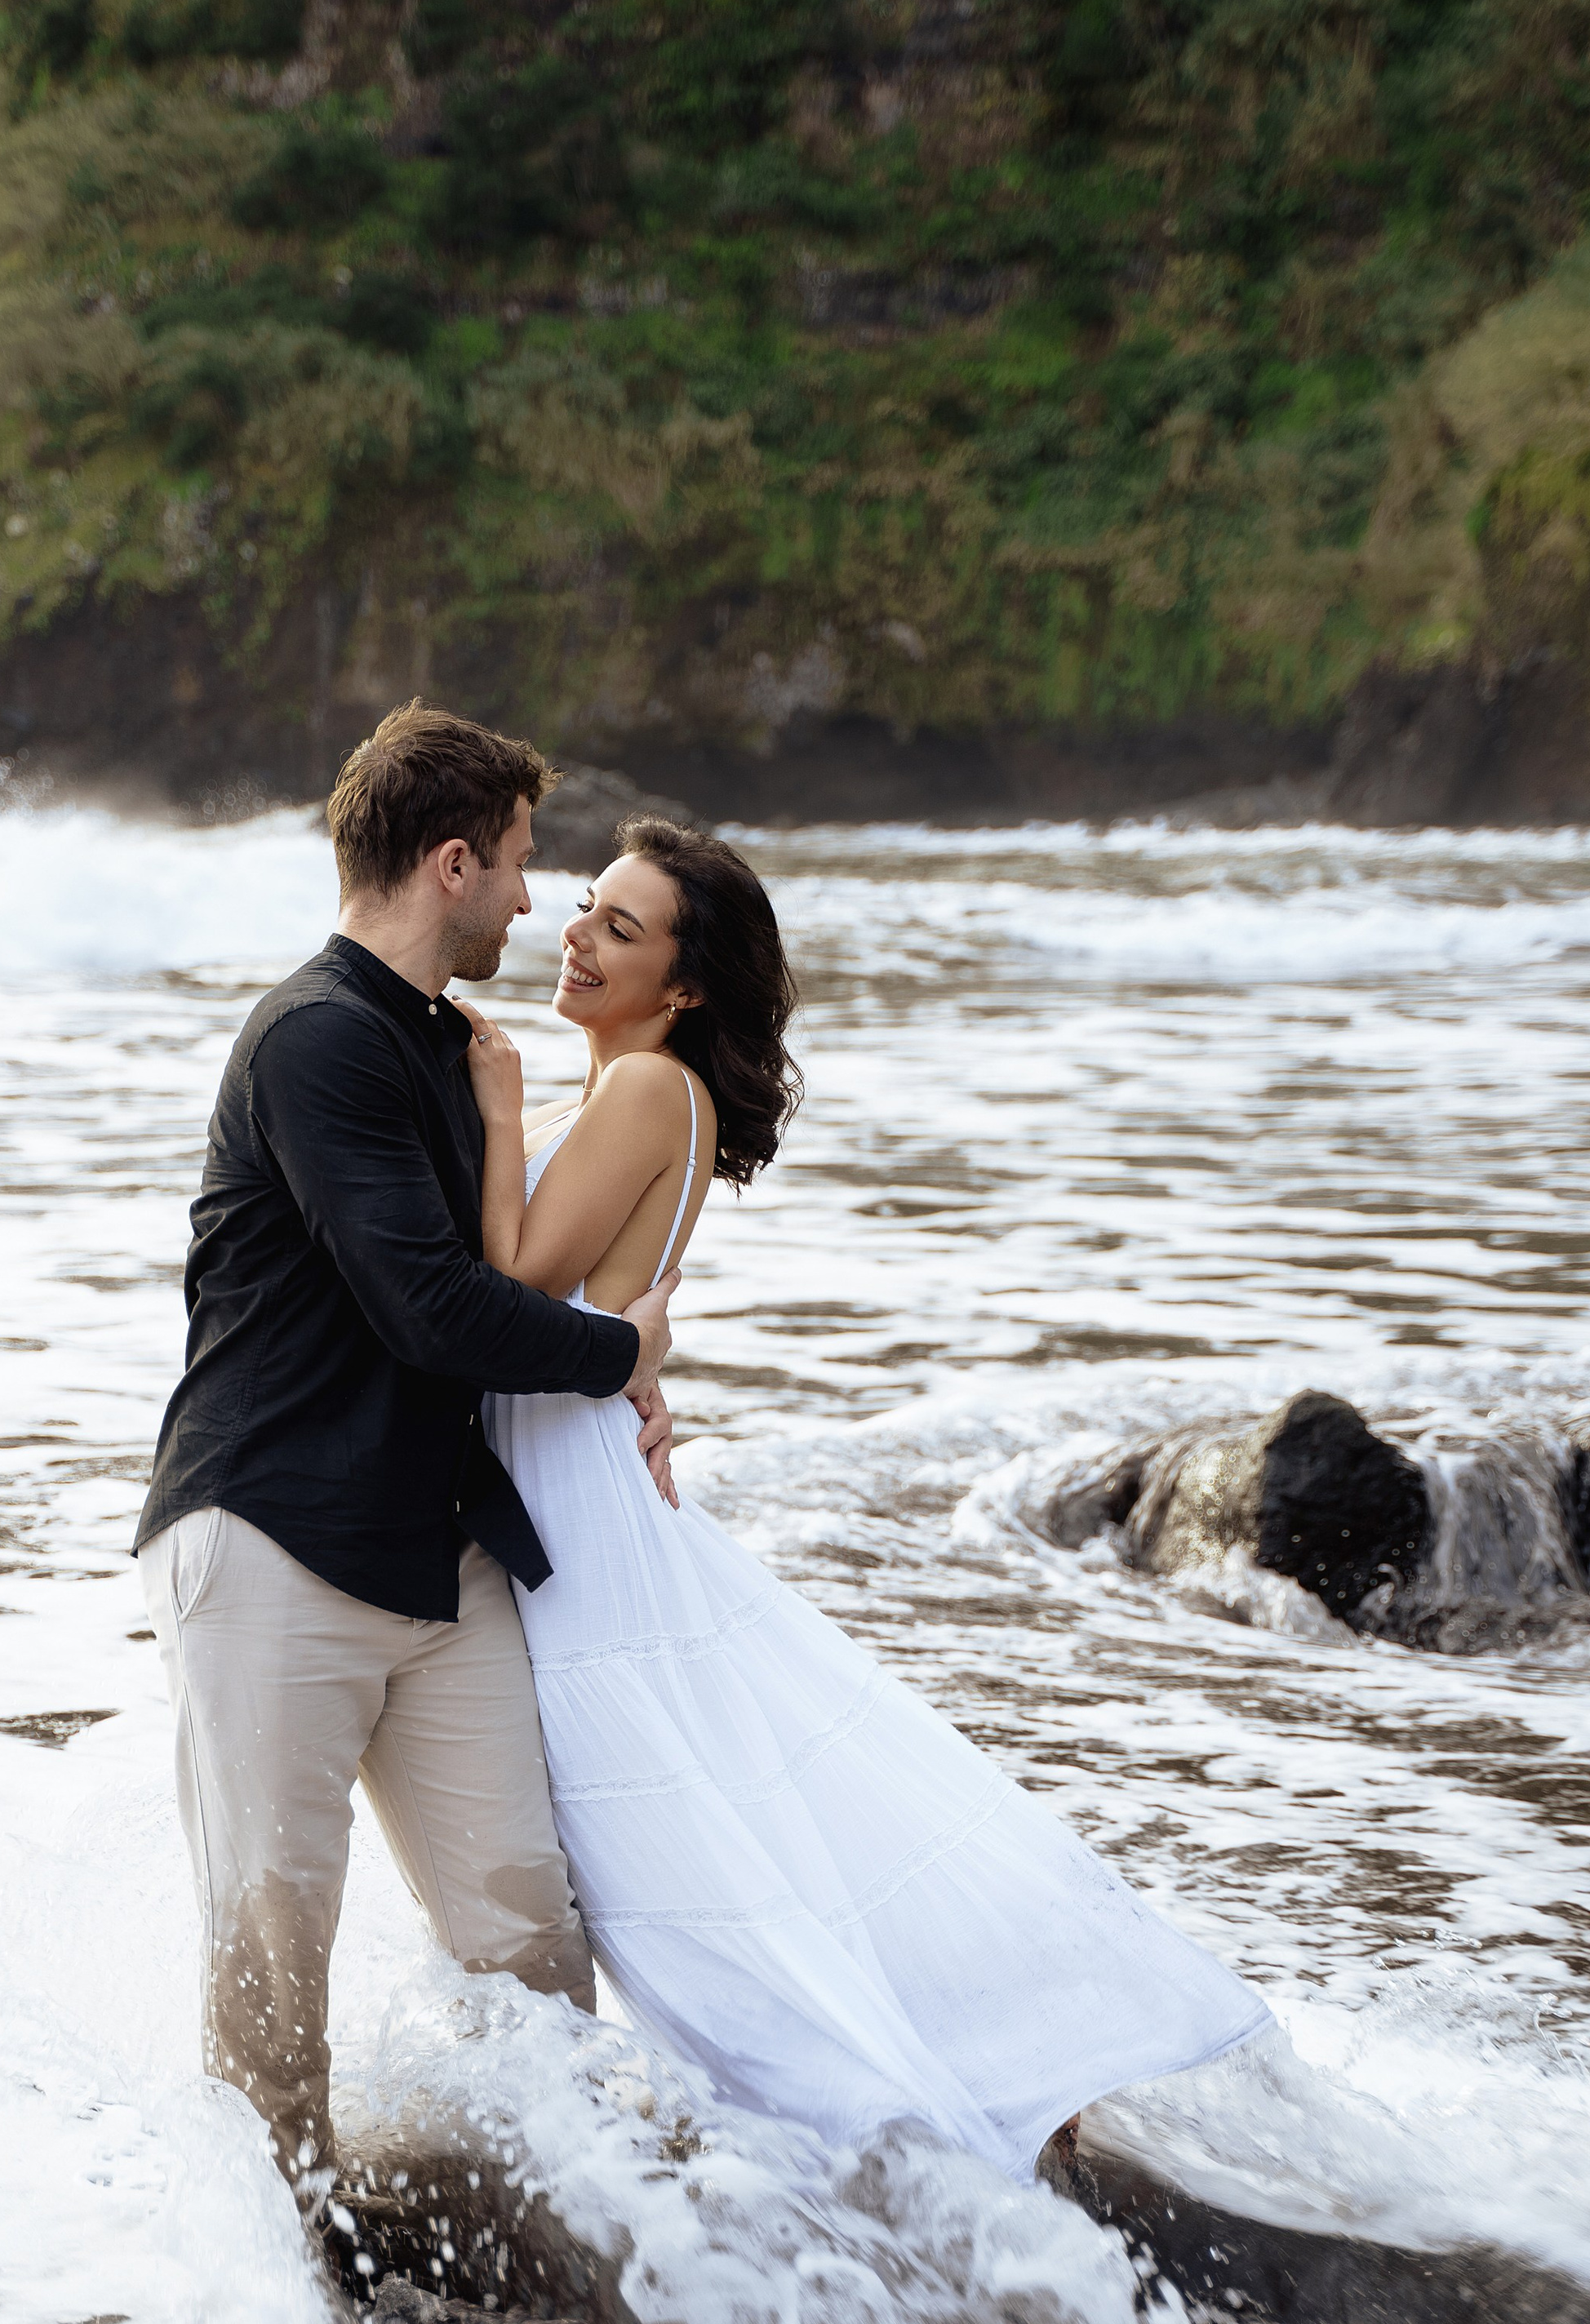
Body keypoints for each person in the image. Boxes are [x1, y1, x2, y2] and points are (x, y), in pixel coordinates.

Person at [465, 822, 1271, 2178]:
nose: (578, 935)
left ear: (688, 981)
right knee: (728, 1821)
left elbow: (514, 1284)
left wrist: (486, 1105)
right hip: (566, 1471)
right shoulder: (598, 1096)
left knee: (669, 1850)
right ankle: (898, 2111)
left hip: (574, 1509)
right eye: (585, 906)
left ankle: (894, 2130)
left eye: (620, 927)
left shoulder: (646, 1093)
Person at [135, 704, 681, 2205]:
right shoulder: (317, 1039)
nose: (528, 900)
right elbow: (433, 1309)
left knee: (529, 1946)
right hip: (268, 1549)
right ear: (450, 862)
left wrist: (614, 1384)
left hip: (439, 1564)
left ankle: (576, 2241)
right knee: (271, 1965)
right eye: (513, 864)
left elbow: (507, 1286)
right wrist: (622, 1356)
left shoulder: (453, 1050)